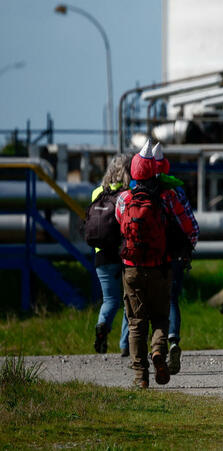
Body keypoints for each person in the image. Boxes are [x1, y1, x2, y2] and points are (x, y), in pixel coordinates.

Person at [115, 141, 199, 389]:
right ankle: (158, 352)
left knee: (136, 323)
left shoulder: (124, 199)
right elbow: (190, 229)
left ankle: (140, 376)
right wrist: (184, 250)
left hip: (131, 268)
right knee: (161, 318)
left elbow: (120, 227)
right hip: (161, 267)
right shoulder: (168, 197)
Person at [151, 142, 197, 376]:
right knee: (171, 299)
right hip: (175, 255)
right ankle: (173, 340)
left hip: (145, 257)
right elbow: (192, 226)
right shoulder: (174, 192)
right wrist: (189, 249)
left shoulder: (134, 192)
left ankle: (145, 351)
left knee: (145, 302)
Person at [84, 153, 131, 356]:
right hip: (122, 255)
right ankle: (125, 344)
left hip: (100, 255)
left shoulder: (96, 193)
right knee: (129, 300)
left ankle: (102, 325)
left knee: (109, 300)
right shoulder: (127, 195)